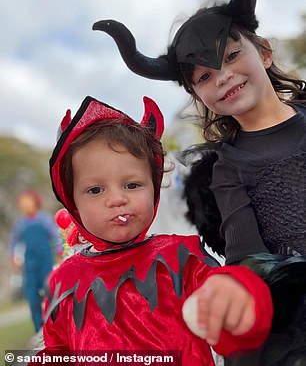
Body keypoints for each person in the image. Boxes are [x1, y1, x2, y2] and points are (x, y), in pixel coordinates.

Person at [91, 0, 306, 364]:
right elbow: (248, 262)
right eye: (204, 77)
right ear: (197, 95)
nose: (222, 76)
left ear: (265, 52)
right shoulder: (227, 171)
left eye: (232, 55)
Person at [36, 95, 273, 365]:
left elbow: (230, 308)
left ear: (154, 186)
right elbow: (56, 351)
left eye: (132, 185)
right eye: (95, 190)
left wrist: (240, 297)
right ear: (73, 202)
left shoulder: (183, 258)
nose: (116, 199)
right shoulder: (64, 282)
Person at [9, 190, 63, 333]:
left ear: (35, 202)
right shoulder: (21, 224)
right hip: (29, 264)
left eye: (28, 201)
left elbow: (56, 236)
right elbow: (14, 242)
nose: (26, 205)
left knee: (49, 292)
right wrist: (13, 257)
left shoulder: (44, 220)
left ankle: (55, 326)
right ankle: (39, 330)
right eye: (23, 203)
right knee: (33, 296)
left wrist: (59, 251)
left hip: (45, 261)